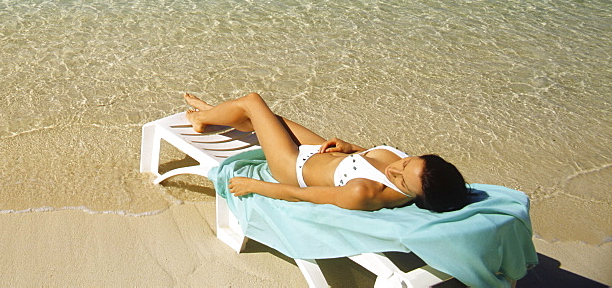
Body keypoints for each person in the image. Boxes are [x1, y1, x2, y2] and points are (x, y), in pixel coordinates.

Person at [184, 92, 472, 213]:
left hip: (293, 166)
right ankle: (211, 112)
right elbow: (374, 159)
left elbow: (304, 195)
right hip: (323, 152)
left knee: (252, 102)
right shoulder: (415, 171)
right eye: (408, 162)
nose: (395, 169)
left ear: (417, 195)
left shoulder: (365, 193)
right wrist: (353, 149)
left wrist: (256, 186)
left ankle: (202, 119)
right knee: (262, 119)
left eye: (401, 180)